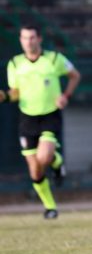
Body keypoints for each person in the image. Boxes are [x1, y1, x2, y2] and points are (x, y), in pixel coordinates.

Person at [0, 24, 80, 219]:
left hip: (50, 115)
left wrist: (66, 96)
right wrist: (4, 96)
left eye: (32, 37)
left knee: (43, 158)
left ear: (39, 39)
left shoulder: (53, 59)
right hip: (27, 117)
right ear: (20, 40)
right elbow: (15, 92)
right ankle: (50, 207)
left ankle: (55, 160)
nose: (29, 42)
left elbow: (74, 75)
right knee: (35, 170)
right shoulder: (15, 64)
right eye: (25, 38)